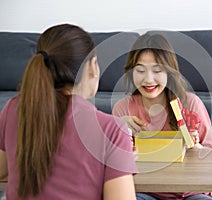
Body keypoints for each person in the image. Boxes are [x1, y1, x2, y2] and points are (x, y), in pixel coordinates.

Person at [0, 24, 137, 200]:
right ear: (92, 67)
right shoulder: (112, 129)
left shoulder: (12, 109)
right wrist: (118, 161)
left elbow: (3, 171)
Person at [112, 32, 212, 200]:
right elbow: (110, 167)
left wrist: (198, 150)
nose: (148, 80)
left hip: (191, 193)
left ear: (169, 73)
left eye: (157, 71)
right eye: (140, 70)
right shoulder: (122, 109)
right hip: (147, 192)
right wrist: (118, 130)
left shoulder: (190, 103)